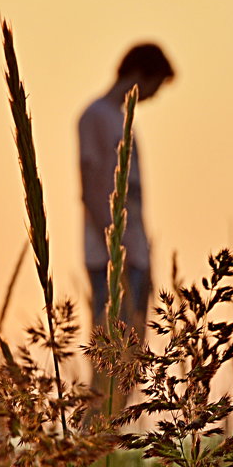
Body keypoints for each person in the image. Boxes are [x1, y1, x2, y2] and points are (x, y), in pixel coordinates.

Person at [78, 43, 174, 336]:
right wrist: (117, 246)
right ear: (139, 74)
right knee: (111, 348)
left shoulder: (120, 118)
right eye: (155, 85)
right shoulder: (96, 116)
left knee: (132, 353)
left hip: (134, 254)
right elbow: (91, 188)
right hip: (111, 256)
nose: (155, 95)